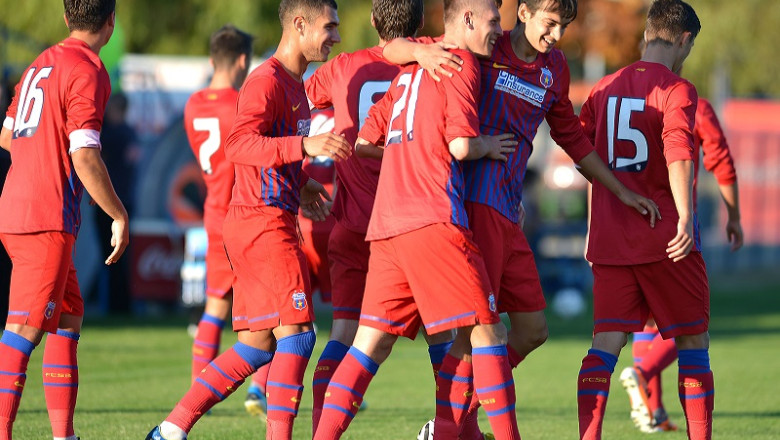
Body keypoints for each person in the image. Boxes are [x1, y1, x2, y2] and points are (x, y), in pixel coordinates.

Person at [383, 1, 660, 438]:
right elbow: (392, 49)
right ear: (525, 12)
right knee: (475, 335)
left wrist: (621, 190)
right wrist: (420, 52)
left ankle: (451, 420)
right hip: (473, 205)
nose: (556, 35)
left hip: (508, 211)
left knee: (532, 329)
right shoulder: (486, 47)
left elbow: (571, 137)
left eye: (564, 27)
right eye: (550, 24)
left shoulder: (554, 69)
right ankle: (451, 428)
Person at [313, 0, 528, 439]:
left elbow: (367, 142)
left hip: (387, 225)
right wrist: (486, 146)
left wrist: (413, 150)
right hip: (434, 217)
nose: (498, 30)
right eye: (493, 20)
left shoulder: (413, 66)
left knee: (368, 344)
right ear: (467, 19)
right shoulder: (461, 62)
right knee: (488, 334)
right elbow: (461, 147)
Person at [145, 1, 351, 439]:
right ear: (300, 24)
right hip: (260, 224)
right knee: (297, 337)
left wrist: (304, 185)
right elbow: (239, 145)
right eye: (329, 27)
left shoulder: (297, 85)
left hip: (263, 218)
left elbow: (274, 151)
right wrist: (305, 148)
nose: (335, 36)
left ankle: (170, 429)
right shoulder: (267, 80)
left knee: (257, 347)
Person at [303, 0, 458, 433]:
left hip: (354, 223)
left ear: (373, 21)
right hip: (415, 220)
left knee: (345, 336)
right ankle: (451, 427)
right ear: (423, 24)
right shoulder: (435, 64)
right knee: (446, 336)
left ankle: (321, 428)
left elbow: (302, 102)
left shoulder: (343, 67)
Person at [576, 1, 712, 439]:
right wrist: (687, 217)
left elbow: (584, 158)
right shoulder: (678, 90)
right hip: (665, 240)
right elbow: (678, 152)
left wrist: (592, 227)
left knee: (604, 347)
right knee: (693, 343)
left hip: (611, 242)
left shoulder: (602, 87)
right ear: (685, 40)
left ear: (649, 32)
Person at [0, 1, 129, 439]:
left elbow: (7, 134)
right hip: (45, 214)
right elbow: (84, 153)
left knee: (68, 317)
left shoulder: (41, 63)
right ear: (110, 21)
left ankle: (64, 435)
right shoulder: (87, 68)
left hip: (20, 205)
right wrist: (118, 212)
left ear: (65, 17)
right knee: (23, 328)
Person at [620, 93, 743, 433]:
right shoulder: (693, 105)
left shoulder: (625, 99)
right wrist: (733, 216)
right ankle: (643, 375)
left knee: (647, 321)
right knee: (690, 328)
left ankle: (655, 411)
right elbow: (721, 159)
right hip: (677, 224)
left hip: (631, 223)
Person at [180, 24, 270, 419]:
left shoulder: (193, 104)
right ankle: (259, 390)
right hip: (244, 213)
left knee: (215, 305)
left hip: (213, 212)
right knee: (273, 307)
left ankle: (200, 388)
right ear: (242, 60)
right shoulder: (240, 103)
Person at [94, 92, 139, 314]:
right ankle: (121, 305)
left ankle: (113, 306)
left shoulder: (110, 135)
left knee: (109, 257)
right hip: (125, 202)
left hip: (107, 203)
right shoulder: (130, 133)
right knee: (121, 257)